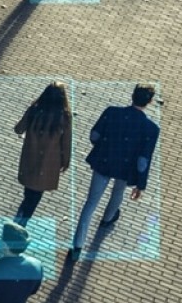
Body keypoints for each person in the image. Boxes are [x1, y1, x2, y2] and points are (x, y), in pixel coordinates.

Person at [68, 84, 161, 262]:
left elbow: (94, 136)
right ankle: (108, 218)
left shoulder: (112, 112)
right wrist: (140, 185)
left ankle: (77, 245)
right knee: (118, 191)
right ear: (149, 102)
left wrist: (104, 147)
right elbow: (143, 160)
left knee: (91, 203)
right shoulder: (151, 129)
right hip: (126, 169)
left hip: (104, 162)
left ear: (132, 95)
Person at [13, 82, 72, 225]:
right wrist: (65, 161)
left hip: (30, 158)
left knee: (28, 194)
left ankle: (19, 219)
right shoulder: (64, 116)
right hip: (48, 164)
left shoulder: (35, 109)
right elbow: (66, 142)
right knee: (35, 196)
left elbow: (19, 129)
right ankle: (20, 223)